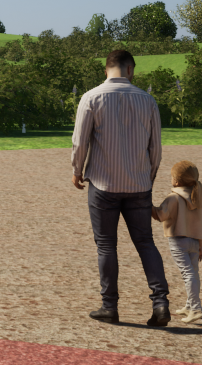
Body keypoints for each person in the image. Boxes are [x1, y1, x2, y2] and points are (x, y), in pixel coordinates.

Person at [71, 48, 170, 326]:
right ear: (130, 69)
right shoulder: (147, 100)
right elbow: (156, 149)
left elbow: (80, 142)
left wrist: (77, 170)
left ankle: (110, 306)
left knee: (106, 245)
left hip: (103, 184)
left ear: (106, 69)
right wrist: (147, 179)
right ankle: (161, 303)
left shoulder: (91, 98)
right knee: (145, 243)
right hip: (139, 185)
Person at [150, 160, 202, 322]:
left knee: (187, 274)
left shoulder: (173, 198)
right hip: (195, 241)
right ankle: (190, 305)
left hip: (178, 241)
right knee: (194, 273)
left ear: (176, 181)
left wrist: (147, 204)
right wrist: (200, 245)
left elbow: (160, 215)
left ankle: (196, 308)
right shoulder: (197, 196)